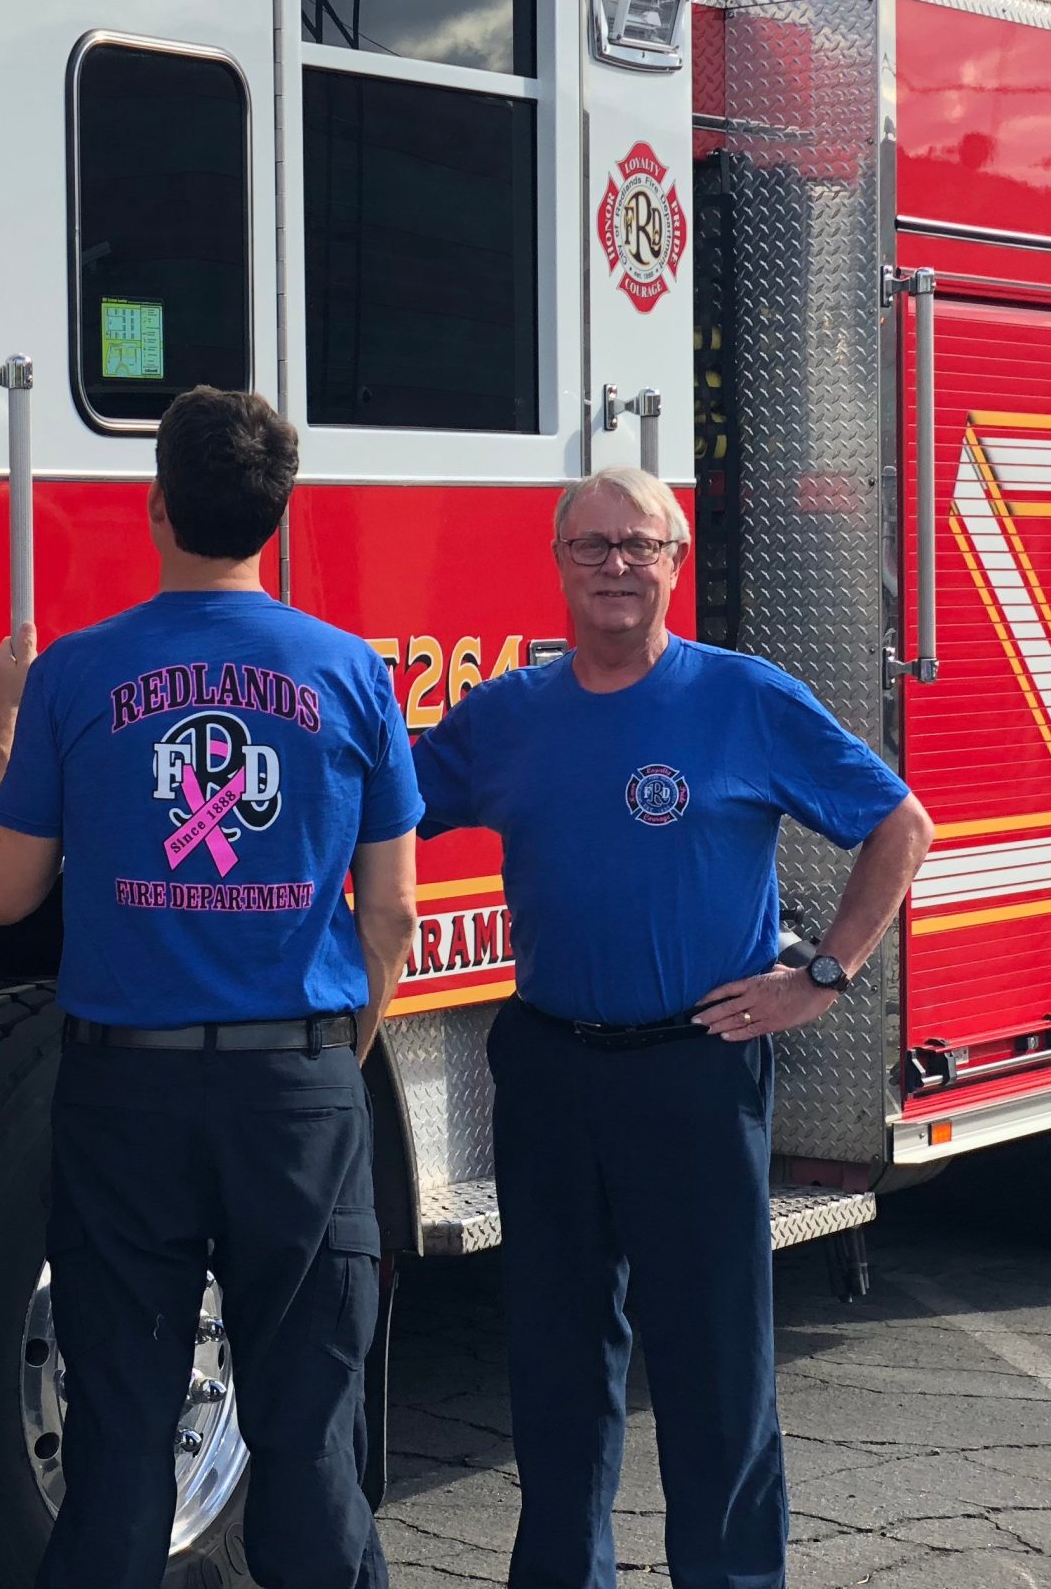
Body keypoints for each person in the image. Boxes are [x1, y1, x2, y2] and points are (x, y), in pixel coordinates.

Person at [413, 465, 933, 1589]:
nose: (613, 566)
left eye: (637, 546)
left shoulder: (741, 698)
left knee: (714, 1373)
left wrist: (823, 973)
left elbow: (897, 821)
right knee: (555, 1366)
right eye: (591, 545)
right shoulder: (508, 715)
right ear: (557, 563)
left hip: (695, 1073)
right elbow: (380, 798)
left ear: (674, 562)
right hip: (549, 1067)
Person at [0, 386, 418, 1589]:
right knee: (310, 1440)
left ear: (154, 507)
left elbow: (5, 893)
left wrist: (7, 722)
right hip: (300, 1090)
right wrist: (331, 1057)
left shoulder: (74, 675)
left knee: (117, 1448)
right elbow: (391, 914)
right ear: (280, 512)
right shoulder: (351, 674)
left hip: (125, 1100)